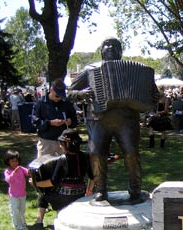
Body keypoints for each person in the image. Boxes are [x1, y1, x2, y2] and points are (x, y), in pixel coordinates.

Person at [68, 37, 159, 202]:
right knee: (96, 154)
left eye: (115, 46)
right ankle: (101, 189)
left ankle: (135, 189)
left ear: (120, 51)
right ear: (101, 51)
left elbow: (153, 93)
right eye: (106, 45)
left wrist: (152, 99)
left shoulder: (137, 70)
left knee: (131, 153)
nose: (110, 48)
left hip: (127, 121)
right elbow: (70, 93)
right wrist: (81, 94)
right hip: (98, 121)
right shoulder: (90, 69)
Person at [31, 129, 94, 226]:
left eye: (61, 144)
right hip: (80, 194)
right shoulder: (86, 156)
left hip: (65, 197)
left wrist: (36, 183)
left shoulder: (62, 159)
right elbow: (92, 177)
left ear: (66, 145)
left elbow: (53, 182)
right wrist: (89, 190)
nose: (60, 146)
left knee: (43, 194)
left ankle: (39, 222)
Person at [32, 78, 77, 158]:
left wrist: (70, 121)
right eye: (57, 95)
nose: (59, 98)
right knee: (46, 168)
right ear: (51, 90)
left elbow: (74, 119)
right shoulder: (40, 103)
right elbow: (35, 121)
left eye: (61, 96)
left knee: (65, 168)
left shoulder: (66, 103)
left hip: (64, 142)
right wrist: (50, 123)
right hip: (47, 142)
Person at [4, 150, 29, 230]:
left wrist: (32, 171)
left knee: (22, 210)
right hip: (14, 195)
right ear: (8, 162)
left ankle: (22, 222)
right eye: (12, 161)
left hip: (22, 194)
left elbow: (28, 172)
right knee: (15, 210)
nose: (15, 163)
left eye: (16, 161)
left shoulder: (21, 168)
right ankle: (16, 224)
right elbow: (8, 180)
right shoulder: (7, 171)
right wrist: (13, 173)